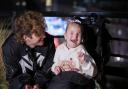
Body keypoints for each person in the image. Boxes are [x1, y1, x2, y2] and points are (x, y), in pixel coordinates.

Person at [2, 11, 55, 89]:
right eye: (38, 33)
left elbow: (48, 70)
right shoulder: (10, 48)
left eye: (43, 30)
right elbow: (12, 77)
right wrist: (24, 86)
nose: (44, 36)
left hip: (43, 84)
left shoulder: (49, 42)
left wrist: (38, 85)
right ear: (26, 37)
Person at [48, 18, 97, 89]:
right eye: (71, 33)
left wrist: (84, 62)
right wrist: (55, 68)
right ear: (65, 36)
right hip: (62, 78)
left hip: (76, 81)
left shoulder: (82, 50)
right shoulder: (60, 48)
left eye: (78, 34)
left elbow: (93, 73)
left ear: (82, 39)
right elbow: (55, 63)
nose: (75, 36)